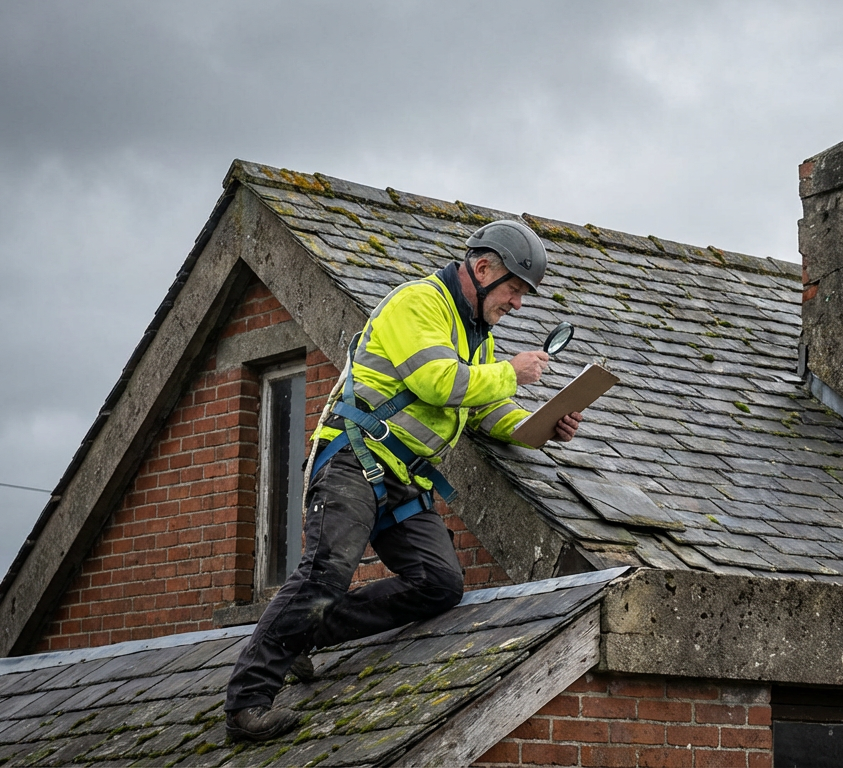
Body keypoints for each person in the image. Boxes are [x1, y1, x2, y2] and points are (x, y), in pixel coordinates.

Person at [224, 219, 581, 742]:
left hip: (403, 479)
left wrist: (543, 428)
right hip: (354, 458)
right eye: (514, 290)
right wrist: (512, 371)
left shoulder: (477, 336)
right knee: (326, 571)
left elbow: (480, 411)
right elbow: (437, 383)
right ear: (483, 269)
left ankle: (306, 632)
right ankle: (246, 705)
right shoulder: (416, 303)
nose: (519, 304)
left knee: (439, 585)